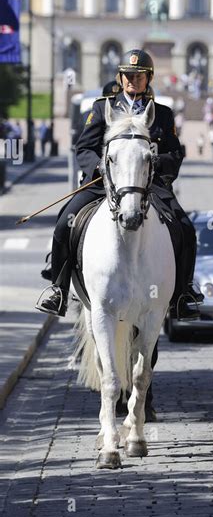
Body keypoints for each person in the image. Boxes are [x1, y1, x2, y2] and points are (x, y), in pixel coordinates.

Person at [35, 48, 203, 320]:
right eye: (127, 75)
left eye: (138, 76)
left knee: (185, 229)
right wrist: (100, 167)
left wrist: (154, 163)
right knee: (65, 221)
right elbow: (84, 148)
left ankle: (183, 294)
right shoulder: (103, 108)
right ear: (120, 77)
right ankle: (59, 289)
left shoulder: (162, 114)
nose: (132, 80)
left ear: (148, 78)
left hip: (149, 186)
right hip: (106, 182)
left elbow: (175, 153)